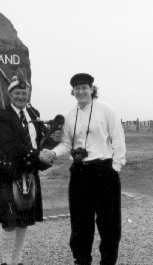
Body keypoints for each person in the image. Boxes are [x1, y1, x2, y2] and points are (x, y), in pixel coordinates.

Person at [47, 73, 126, 265]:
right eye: (77, 88)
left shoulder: (106, 110)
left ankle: (108, 261)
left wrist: (115, 168)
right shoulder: (69, 115)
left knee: (109, 223)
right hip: (80, 172)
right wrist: (52, 153)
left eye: (85, 87)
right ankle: (82, 260)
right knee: (80, 223)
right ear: (72, 91)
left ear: (92, 89)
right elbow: (66, 144)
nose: (81, 91)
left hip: (104, 170)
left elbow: (118, 139)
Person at [0, 69, 61, 265]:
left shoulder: (34, 113)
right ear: (10, 95)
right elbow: (9, 144)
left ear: (28, 95)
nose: (21, 96)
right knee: (9, 220)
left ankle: (17, 260)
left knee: (24, 219)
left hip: (29, 173)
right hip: (8, 172)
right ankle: (6, 261)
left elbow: (40, 142)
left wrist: (51, 144)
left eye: (24, 94)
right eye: (17, 93)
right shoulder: (1, 116)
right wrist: (36, 154)